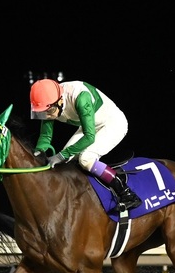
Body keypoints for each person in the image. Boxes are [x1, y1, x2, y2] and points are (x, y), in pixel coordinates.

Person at [29, 79, 142, 211]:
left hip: (112, 123)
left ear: (60, 100)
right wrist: (38, 152)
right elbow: (45, 136)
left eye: (50, 111)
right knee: (65, 161)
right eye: (43, 113)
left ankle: (127, 194)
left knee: (85, 159)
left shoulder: (81, 98)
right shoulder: (48, 102)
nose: (47, 116)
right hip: (89, 124)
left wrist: (61, 155)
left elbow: (89, 137)